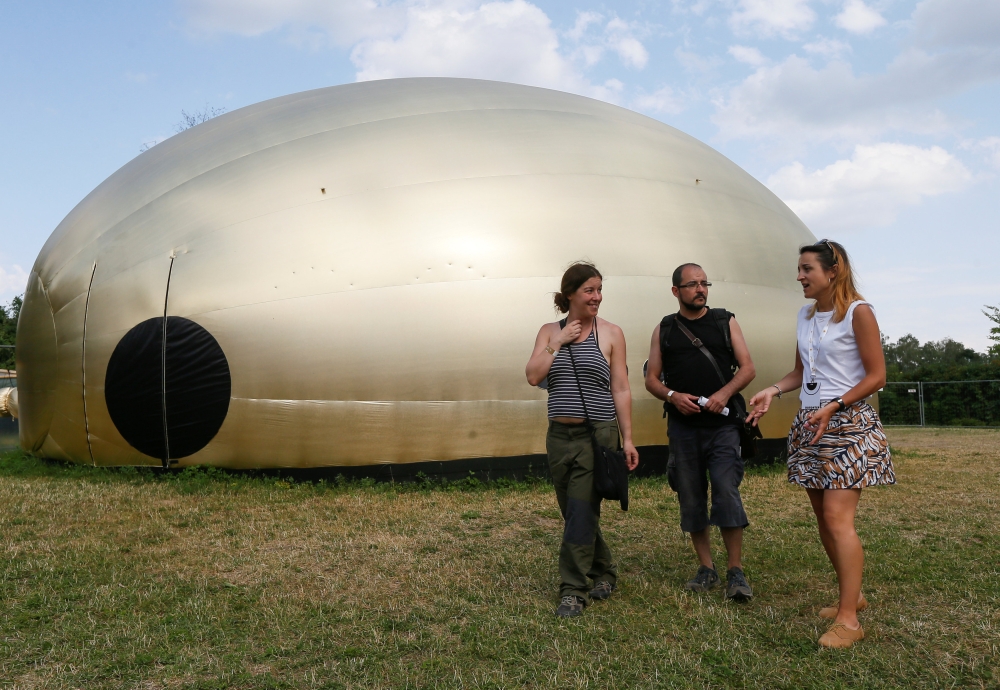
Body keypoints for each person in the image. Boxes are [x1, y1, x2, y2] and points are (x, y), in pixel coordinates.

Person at [748, 240, 894, 649]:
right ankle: (854, 596)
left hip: (846, 423)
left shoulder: (859, 313)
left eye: (806, 268)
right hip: (812, 422)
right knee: (822, 517)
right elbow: (801, 371)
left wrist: (835, 404)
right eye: (799, 269)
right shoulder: (806, 315)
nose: (799, 276)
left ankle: (849, 620)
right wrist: (773, 390)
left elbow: (876, 375)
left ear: (833, 271)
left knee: (836, 518)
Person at [526, 261, 640, 618]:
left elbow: (620, 387)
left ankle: (573, 590)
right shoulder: (548, 331)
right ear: (570, 294)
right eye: (589, 290)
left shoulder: (611, 333)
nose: (597, 297)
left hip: (597, 434)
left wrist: (628, 439)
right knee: (576, 511)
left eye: (599, 290)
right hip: (559, 436)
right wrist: (557, 343)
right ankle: (604, 569)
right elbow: (532, 376)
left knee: (579, 509)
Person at [644, 263, 757, 601]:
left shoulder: (725, 321)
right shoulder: (664, 329)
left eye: (704, 283)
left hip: (723, 426)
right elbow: (651, 379)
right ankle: (707, 568)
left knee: (726, 490)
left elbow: (748, 368)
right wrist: (672, 396)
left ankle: (736, 571)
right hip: (683, 429)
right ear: (676, 291)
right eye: (692, 284)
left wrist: (723, 394)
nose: (700, 289)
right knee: (690, 496)